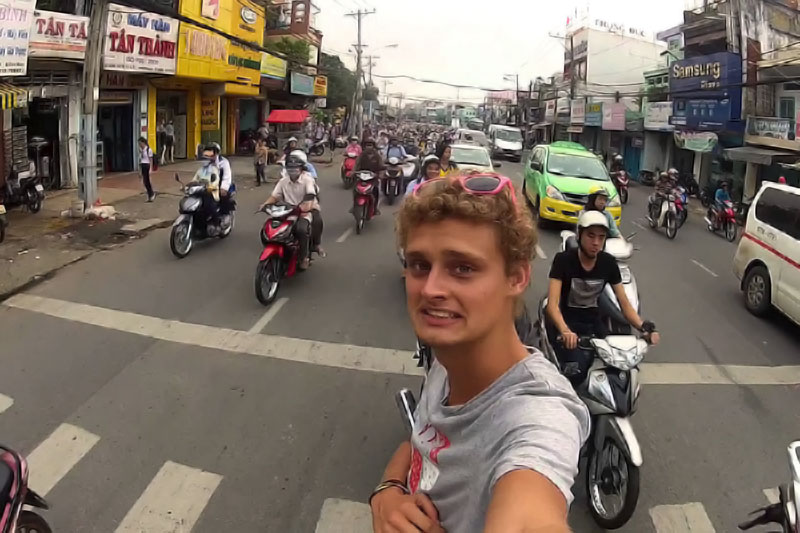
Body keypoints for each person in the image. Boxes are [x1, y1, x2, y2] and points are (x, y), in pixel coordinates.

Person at [371, 173, 589, 533]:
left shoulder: (537, 413)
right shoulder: (449, 357)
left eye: (463, 268)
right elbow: (422, 440)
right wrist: (388, 491)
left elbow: (530, 509)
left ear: (516, 277)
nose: (431, 288)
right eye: (420, 265)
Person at [547, 210, 659, 385]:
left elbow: (625, 304)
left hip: (592, 322)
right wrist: (565, 331)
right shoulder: (563, 260)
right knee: (574, 374)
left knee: (622, 367)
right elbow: (552, 305)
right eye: (591, 236)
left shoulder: (608, 263)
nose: (596, 242)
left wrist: (643, 326)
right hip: (565, 323)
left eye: (601, 237)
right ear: (579, 235)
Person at [259, 156, 318, 270]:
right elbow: (275, 196)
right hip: (285, 211)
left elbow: (310, 195)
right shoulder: (283, 181)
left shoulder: (308, 180)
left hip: (303, 212)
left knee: (301, 230)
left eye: (295, 168)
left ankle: (303, 257)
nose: (292, 171)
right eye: (290, 168)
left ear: (301, 169)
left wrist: (306, 207)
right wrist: (265, 204)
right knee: (269, 228)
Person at [202, 142, 234, 220]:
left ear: (216, 152)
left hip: (220, 187)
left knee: (211, 203)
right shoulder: (206, 163)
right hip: (208, 186)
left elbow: (227, 176)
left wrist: (224, 188)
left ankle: (218, 219)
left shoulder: (223, 162)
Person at [355, 138, 384, 215]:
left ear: (373, 146)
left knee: (377, 191)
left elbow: (381, 165)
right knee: (355, 190)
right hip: (362, 176)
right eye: (367, 145)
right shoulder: (362, 155)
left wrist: (380, 174)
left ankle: (375, 208)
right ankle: (355, 205)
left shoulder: (377, 156)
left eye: (370, 145)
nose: (368, 147)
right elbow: (356, 164)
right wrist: (353, 172)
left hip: (374, 177)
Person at [138, 137, 155, 202]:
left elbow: (151, 160)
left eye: (140, 143)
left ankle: (151, 194)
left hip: (147, 165)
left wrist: (151, 169)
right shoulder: (141, 150)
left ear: (143, 142)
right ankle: (149, 194)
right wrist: (139, 171)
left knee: (147, 181)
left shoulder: (148, 150)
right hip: (143, 165)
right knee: (144, 182)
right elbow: (140, 160)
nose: (140, 145)